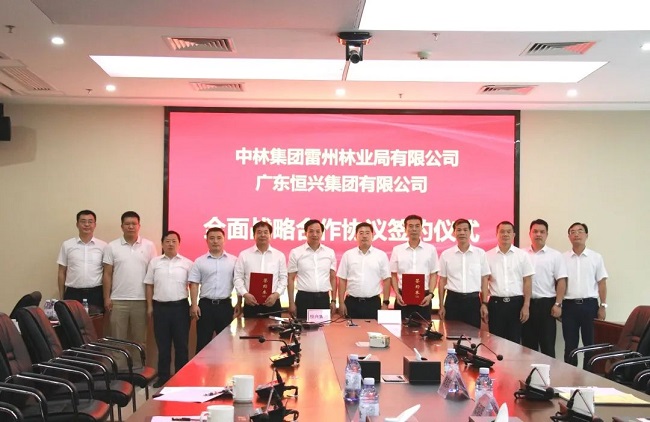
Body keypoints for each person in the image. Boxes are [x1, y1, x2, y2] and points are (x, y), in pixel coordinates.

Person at [144, 231, 193, 388]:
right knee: (163, 345)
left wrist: (194, 304)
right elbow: (149, 285)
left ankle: (181, 377)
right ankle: (163, 377)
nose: (170, 244)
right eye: (167, 241)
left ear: (179, 243)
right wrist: (150, 306)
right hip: (160, 308)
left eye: (174, 241)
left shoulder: (187, 263)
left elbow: (193, 286)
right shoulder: (155, 262)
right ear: (162, 244)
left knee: (181, 345)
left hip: (181, 308)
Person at [102, 211, 157, 345]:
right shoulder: (112, 246)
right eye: (127, 224)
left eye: (134, 224)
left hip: (141, 301)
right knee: (117, 341)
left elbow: (153, 275)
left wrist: (150, 302)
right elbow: (107, 274)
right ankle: (119, 361)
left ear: (139, 226)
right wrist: (106, 298)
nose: (131, 226)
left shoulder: (149, 246)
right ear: (122, 226)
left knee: (139, 342)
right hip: (118, 301)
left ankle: (138, 361)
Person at [562, 222, 608, 367]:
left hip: (590, 306)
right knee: (570, 345)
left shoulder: (596, 257)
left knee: (590, 344)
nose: (576, 234)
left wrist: (603, 306)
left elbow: (602, 283)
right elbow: (559, 283)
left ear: (586, 235)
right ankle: (570, 375)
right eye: (573, 232)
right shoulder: (562, 258)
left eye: (580, 231)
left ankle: (589, 375)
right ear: (569, 236)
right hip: (569, 306)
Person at [189, 227, 241, 354]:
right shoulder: (199, 261)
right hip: (205, 306)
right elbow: (194, 284)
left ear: (224, 240)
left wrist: (239, 303)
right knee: (202, 343)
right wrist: (194, 304)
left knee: (226, 346)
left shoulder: (234, 261)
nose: (215, 241)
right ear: (207, 241)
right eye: (212, 238)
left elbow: (239, 283)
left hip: (225, 306)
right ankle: (200, 368)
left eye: (218, 238)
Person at [522, 219, 567, 358]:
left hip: (546, 305)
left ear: (547, 234)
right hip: (525, 305)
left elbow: (561, 280)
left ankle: (549, 373)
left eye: (542, 232)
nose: (538, 234)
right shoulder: (521, 254)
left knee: (547, 346)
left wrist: (558, 304)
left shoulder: (555, 255)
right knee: (527, 348)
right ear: (530, 234)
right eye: (535, 231)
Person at [484, 221, 535, 343]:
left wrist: (526, 305)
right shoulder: (487, 256)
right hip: (496, 304)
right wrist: (484, 304)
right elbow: (484, 282)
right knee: (496, 343)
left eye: (508, 232)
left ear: (513, 235)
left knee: (515, 343)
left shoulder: (522, 255)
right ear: (496, 234)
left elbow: (527, 281)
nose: (505, 234)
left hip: (516, 304)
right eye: (502, 231)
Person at [438, 218, 491, 329]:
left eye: (465, 230)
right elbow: (442, 281)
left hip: (473, 301)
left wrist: (484, 304)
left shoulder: (480, 254)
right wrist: (441, 305)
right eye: (459, 230)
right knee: (452, 335)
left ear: (470, 232)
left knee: (473, 336)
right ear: (454, 233)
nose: (462, 233)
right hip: (453, 301)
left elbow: (484, 280)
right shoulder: (446, 254)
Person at [389, 215, 439, 320]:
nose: (414, 229)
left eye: (417, 226)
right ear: (405, 229)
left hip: (424, 297)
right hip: (402, 297)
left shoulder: (430, 249)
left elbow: (434, 274)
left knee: (424, 328)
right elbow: (393, 274)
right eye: (410, 226)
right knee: (400, 327)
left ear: (421, 228)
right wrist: (397, 294)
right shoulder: (397, 249)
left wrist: (430, 295)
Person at [337, 222, 391, 319]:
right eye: (361, 233)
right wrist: (341, 302)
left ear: (372, 236)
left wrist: (385, 303)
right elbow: (342, 279)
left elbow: (387, 280)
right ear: (356, 236)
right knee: (350, 329)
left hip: (373, 303)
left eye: (367, 233)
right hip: (352, 303)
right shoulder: (348, 255)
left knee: (373, 328)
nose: (364, 236)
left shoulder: (381, 255)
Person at [234, 221, 288, 318]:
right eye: (259, 232)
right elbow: (238, 278)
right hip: (250, 303)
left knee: (273, 328)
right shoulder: (244, 255)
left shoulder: (279, 255)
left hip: (273, 302)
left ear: (270, 235)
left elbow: (283, 278)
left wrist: (276, 294)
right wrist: (245, 294)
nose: (262, 235)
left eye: (265, 232)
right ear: (254, 235)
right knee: (251, 328)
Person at [57, 210, 106, 311]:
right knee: (72, 320)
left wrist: (106, 297)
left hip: (96, 293)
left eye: (90, 221)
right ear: (77, 224)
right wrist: (61, 297)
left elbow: (107, 273)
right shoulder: (67, 245)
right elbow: (61, 272)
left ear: (95, 225)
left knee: (96, 320)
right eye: (83, 221)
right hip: (73, 293)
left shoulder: (103, 246)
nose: (86, 224)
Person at [287, 219, 337, 319]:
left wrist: (333, 300)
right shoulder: (296, 252)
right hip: (303, 298)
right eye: (311, 231)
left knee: (322, 328)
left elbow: (332, 278)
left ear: (322, 233)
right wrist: (291, 302)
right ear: (305, 233)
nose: (315, 234)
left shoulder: (329, 252)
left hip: (323, 299)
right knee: (303, 327)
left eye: (318, 231)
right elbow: (291, 279)